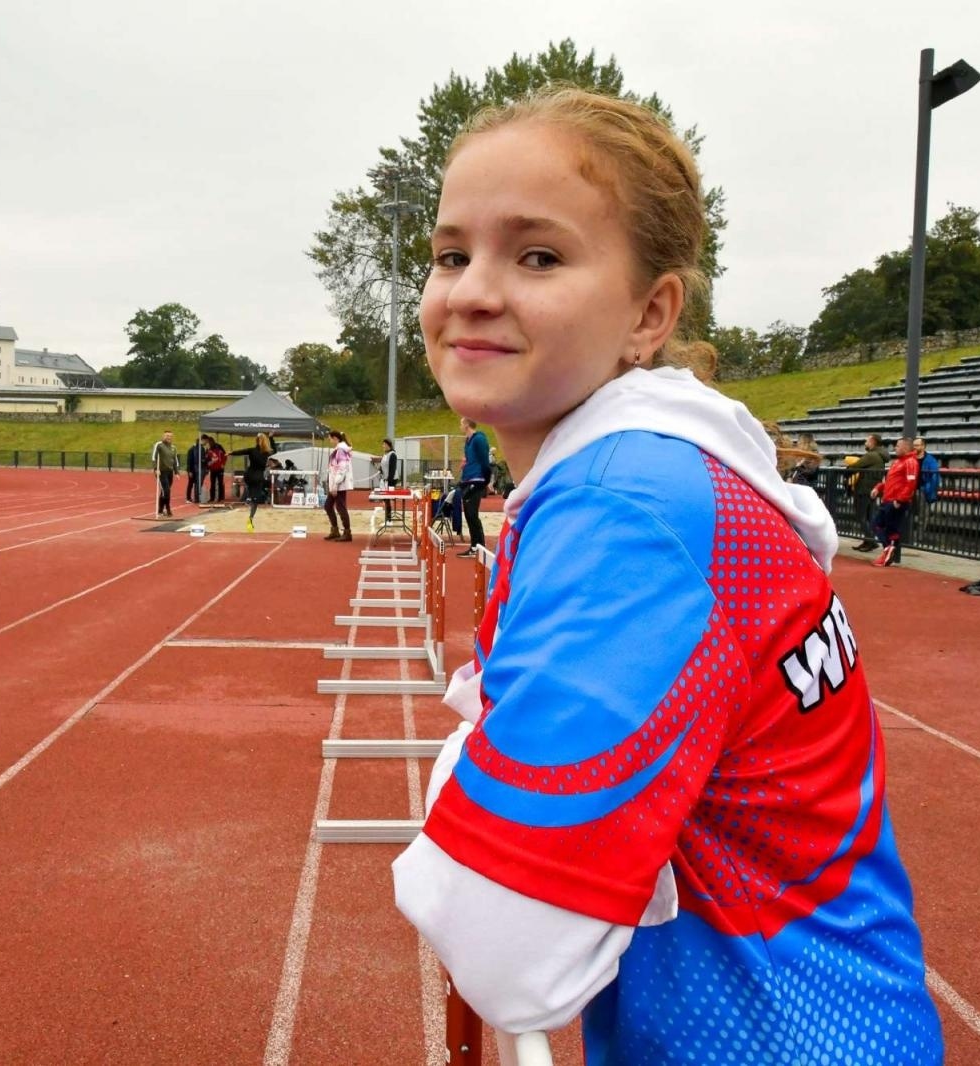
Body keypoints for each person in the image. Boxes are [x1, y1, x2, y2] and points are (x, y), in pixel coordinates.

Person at [390, 87, 941, 1063]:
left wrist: (466, 759)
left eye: (537, 255)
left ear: (650, 313)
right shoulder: (661, 475)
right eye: (450, 253)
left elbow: (502, 941)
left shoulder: (626, 513)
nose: (469, 289)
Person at [870, 437, 920, 566]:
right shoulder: (898, 462)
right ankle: (888, 549)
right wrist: (878, 488)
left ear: (905, 447)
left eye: (898, 446)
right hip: (889, 499)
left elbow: (911, 483)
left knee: (886, 526)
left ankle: (887, 550)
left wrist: (900, 499)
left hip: (896, 501)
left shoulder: (910, 462)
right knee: (881, 525)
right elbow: (889, 481)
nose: (895, 448)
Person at [456, 416, 491, 558]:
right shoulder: (468, 442)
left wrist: (486, 480)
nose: (459, 426)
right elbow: (470, 458)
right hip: (468, 479)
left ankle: (479, 546)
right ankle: (475, 546)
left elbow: (484, 460)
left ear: (466, 425)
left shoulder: (479, 439)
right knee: (469, 515)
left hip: (477, 480)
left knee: (472, 514)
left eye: (461, 424)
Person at [846, 434, 887, 551]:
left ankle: (871, 540)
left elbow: (855, 466)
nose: (865, 443)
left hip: (864, 489)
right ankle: (868, 541)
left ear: (873, 442)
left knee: (860, 516)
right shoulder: (880, 455)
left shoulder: (872, 455)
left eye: (867, 441)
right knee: (869, 517)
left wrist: (847, 471)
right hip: (871, 489)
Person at [230, 433, 273, 531]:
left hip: (248, 475)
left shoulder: (252, 450)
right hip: (258, 476)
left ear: (256, 441)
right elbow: (275, 448)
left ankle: (248, 496)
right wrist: (271, 437)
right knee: (256, 500)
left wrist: (231, 453)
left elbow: (241, 452)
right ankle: (250, 516)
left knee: (249, 486)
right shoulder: (267, 452)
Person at [324, 429, 354, 541]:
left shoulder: (341, 450)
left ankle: (347, 532)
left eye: (330, 438)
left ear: (335, 438)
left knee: (340, 507)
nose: (329, 439)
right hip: (335, 484)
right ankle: (335, 530)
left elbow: (341, 469)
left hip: (339, 484)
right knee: (328, 506)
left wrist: (335, 484)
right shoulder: (338, 450)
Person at [912, 437, 940, 538]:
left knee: (922, 516)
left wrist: (927, 490)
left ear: (923, 446)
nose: (914, 447)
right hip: (910, 490)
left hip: (922, 490)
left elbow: (934, 477)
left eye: (917, 445)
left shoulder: (930, 460)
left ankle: (918, 537)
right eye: (914, 445)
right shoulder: (911, 458)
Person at [151, 430, 178, 518]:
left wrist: (176, 472)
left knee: (165, 491)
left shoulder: (173, 447)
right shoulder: (159, 445)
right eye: (167, 436)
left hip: (170, 472)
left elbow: (175, 460)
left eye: (170, 436)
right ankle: (168, 509)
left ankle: (160, 509)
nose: (168, 437)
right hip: (161, 472)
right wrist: (156, 468)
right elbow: (154, 457)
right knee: (166, 491)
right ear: (163, 436)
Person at [378, 437, 403, 520]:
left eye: (384, 444)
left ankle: (388, 518)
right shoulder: (385, 454)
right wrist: (380, 470)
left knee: (388, 497)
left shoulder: (392, 454)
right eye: (383, 444)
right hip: (385, 479)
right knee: (385, 498)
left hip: (391, 479)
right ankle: (388, 516)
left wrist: (388, 481)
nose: (383, 446)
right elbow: (383, 465)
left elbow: (392, 469)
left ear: (389, 445)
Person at [184, 435, 206, 504]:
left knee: (197, 483)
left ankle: (196, 497)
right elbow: (189, 460)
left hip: (198, 469)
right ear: (201, 440)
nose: (205, 442)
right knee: (190, 483)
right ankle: (188, 497)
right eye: (204, 441)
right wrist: (189, 470)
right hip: (192, 469)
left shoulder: (202, 448)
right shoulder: (192, 449)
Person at [206, 437, 227, 503]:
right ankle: (212, 498)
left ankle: (220, 498)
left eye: (209, 443)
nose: (208, 444)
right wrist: (209, 466)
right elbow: (207, 459)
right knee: (212, 484)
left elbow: (225, 455)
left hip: (220, 468)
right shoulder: (209, 449)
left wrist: (223, 463)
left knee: (220, 483)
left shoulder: (219, 447)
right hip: (213, 469)